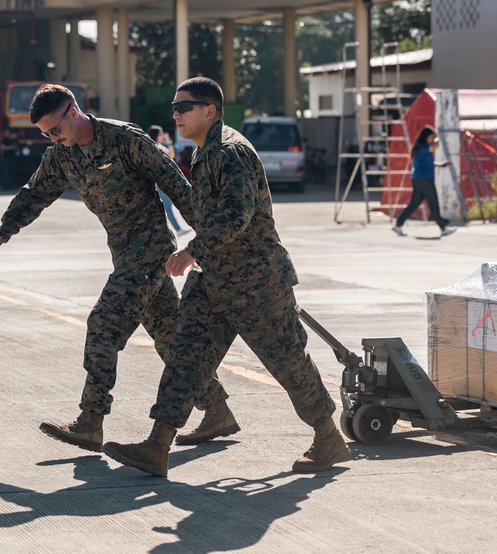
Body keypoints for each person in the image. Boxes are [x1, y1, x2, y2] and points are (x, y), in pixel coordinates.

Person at [102, 77, 345, 477]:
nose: (176, 114)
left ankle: (328, 437)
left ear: (210, 111)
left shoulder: (230, 152)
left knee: (287, 363)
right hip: (215, 279)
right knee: (186, 357)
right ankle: (157, 445)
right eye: (174, 107)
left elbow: (237, 215)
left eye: (185, 107)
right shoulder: (204, 153)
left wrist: (191, 249)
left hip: (257, 282)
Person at [0, 84, 234, 454]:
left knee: (104, 323)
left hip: (150, 248)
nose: (53, 138)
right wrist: (3, 233)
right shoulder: (62, 156)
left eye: (54, 129)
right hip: (123, 251)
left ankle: (90, 421)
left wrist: (206, 241)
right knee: (170, 335)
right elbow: (35, 193)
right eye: (45, 134)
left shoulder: (124, 139)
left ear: (73, 111)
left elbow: (175, 183)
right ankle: (218, 410)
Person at [392, 126, 456, 237]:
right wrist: (439, 137)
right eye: (431, 137)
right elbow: (434, 147)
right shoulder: (422, 146)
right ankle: (443, 227)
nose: (432, 139)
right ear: (426, 137)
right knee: (433, 203)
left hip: (419, 179)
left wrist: (441, 165)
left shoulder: (421, 147)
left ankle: (398, 224)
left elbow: (427, 162)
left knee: (414, 204)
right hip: (424, 179)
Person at [147, 125, 187, 234]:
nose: (162, 136)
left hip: (164, 181)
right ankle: (177, 229)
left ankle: (176, 229)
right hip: (158, 182)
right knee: (168, 206)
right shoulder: (153, 148)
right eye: (161, 134)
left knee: (168, 206)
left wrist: (168, 141)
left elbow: (172, 155)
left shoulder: (160, 146)